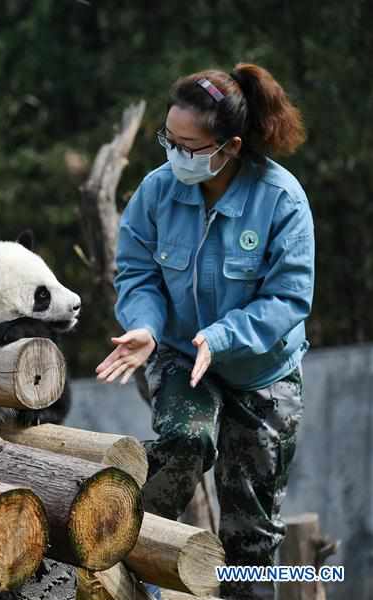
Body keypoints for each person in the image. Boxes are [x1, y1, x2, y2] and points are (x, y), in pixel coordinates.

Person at [96, 63, 314, 600]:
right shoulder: (156, 192)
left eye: (188, 145)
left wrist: (221, 336)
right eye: (168, 139)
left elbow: (289, 298)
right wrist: (145, 326)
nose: (174, 154)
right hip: (179, 356)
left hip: (262, 372)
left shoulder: (281, 200)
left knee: (252, 538)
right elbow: (137, 273)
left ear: (230, 146)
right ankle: (117, 566)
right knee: (184, 442)